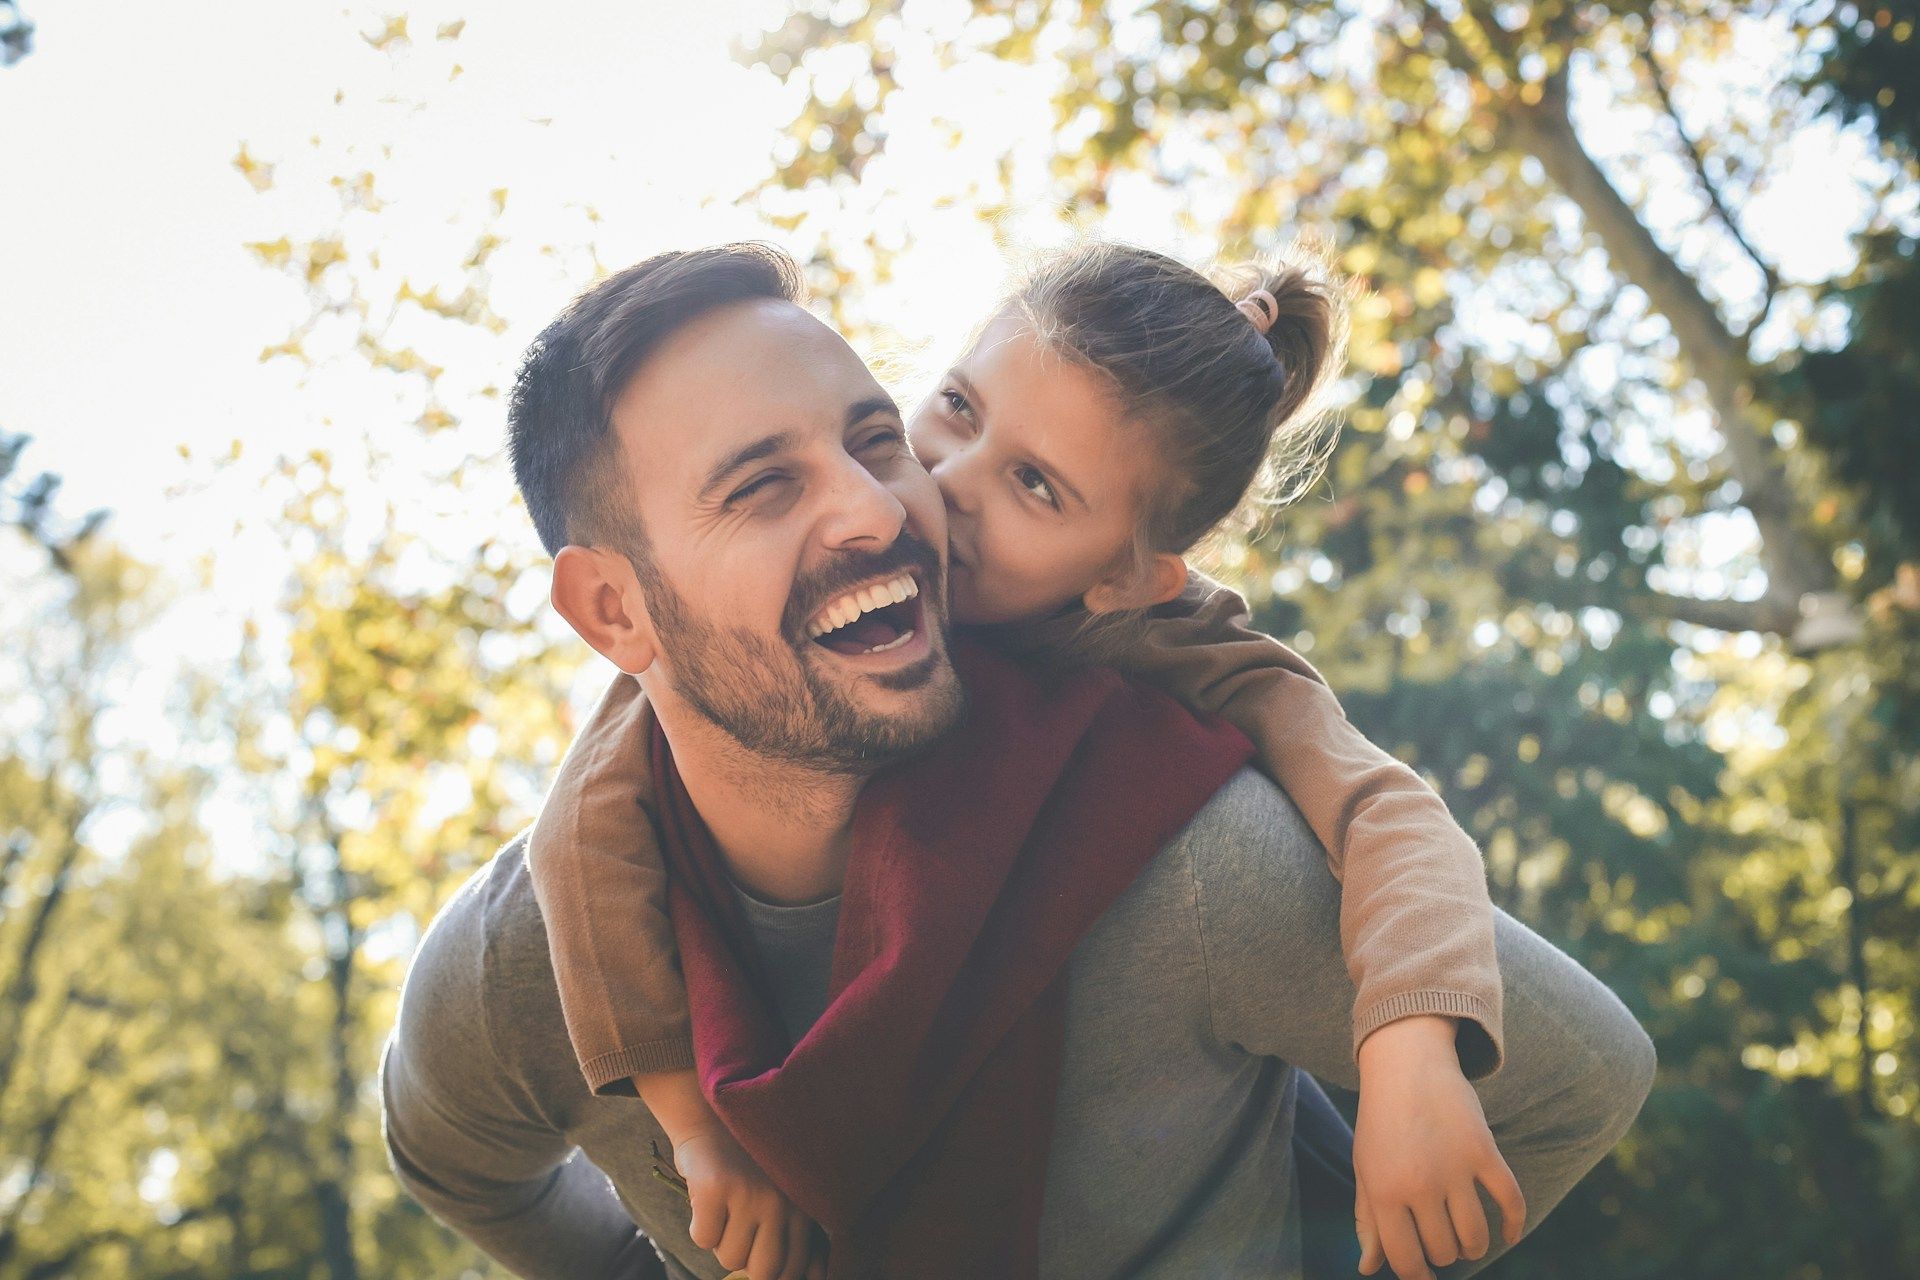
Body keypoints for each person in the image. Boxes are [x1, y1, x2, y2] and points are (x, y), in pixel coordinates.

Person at [380, 243, 1657, 1280]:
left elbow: (1551, 1035)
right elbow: (456, 1146)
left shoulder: (1186, 828)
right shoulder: (518, 958)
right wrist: (679, 1150)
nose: (901, 502)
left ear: (1127, 573)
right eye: (765, 486)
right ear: (615, 615)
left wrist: (1409, 1048)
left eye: (872, 439)